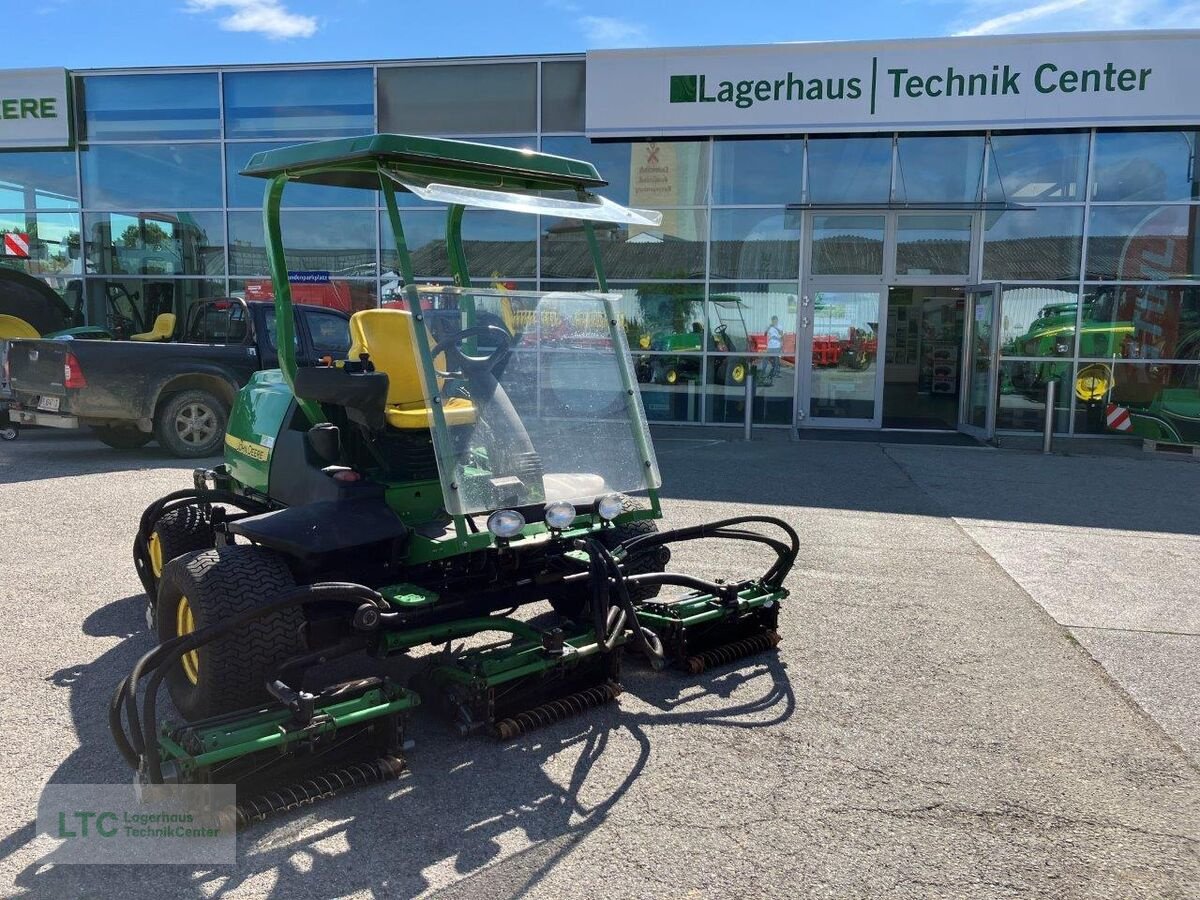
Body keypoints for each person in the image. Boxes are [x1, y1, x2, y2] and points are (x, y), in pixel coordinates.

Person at [764, 315, 783, 384]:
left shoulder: (780, 326)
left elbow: (781, 334)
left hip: (777, 346)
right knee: (766, 358)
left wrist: (775, 327)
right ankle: (764, 372)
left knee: (776, 359)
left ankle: (776, 373)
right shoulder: (769, 327)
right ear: (772, 320)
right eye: (773, 320)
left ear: (777, 320)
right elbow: (765, 334)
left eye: (775, 320)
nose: (774, 321)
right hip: (770, 346)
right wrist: (769, 327)